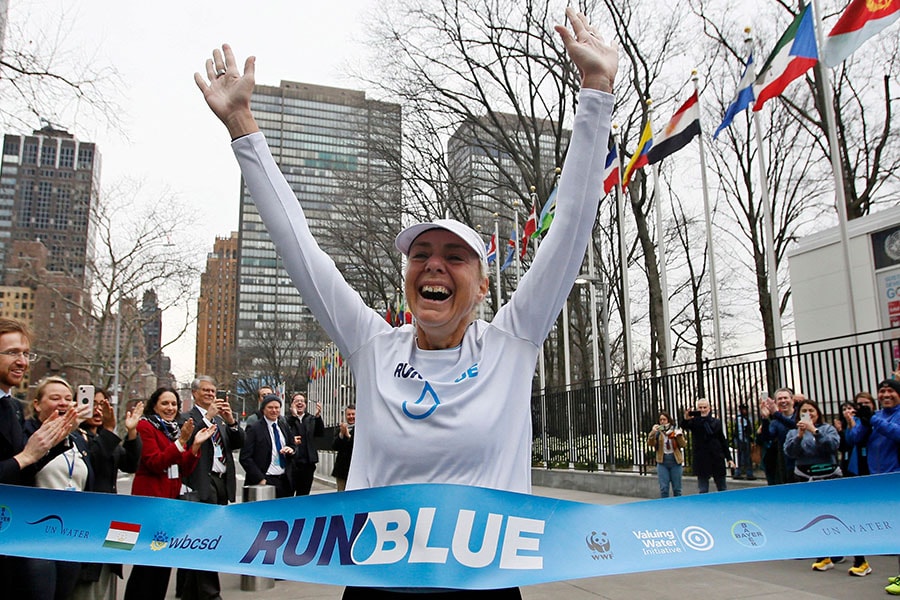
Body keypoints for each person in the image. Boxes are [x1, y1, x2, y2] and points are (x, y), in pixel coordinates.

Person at [196, 7, 616, 596]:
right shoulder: (372, 345)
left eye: (455, 256)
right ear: (408, 278)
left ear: (484, 284)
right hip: (376, 586)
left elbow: (571, 223)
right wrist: (243, 124)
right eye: (421, 255)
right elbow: (301, 251)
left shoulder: (511, 343)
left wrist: (596, 92)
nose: (435, 265)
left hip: (486, 588)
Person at [0, 319, 76, 600]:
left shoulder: (13, 408)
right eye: (12, 353)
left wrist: (52, 443)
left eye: (26, 354)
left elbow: (22, 473)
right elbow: (19, 462)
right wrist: (27, 456)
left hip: (15, 537)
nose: (22, 361)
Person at [123, 387, 214, 600]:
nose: (170, 408)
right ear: (154, 405)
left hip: (171, 504)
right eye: (165, 403)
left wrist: (194, 447)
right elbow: (154, 462)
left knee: (164, 563)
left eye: (174, 404)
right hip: (152, 503)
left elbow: (184, 468)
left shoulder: (173, 429)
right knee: (146, 564)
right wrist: (181, 442)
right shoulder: (146, 427)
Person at [21, 376, 92, 600]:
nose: (63, 403)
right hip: (34, 535)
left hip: (70, 536)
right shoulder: (26, 436)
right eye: (55, 398)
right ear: (37, 404)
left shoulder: (78, 440)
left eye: (68, 399)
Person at [72, 388, 143, 600]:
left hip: (112, 519)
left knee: (106, 578)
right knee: (86, 587)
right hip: (88, 523)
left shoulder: (105, 437)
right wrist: (110, 430)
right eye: (91, 403)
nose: (98, 409)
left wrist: (131, 433)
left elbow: (130, 464)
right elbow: (94, 460)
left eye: (103, 404)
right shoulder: (75, 437)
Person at [179, 376, 244, 600]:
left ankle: (189, 591)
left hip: (220, 481)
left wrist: (231, 421)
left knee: (208, 537)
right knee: (206, 538)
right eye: (205, 390)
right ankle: (210, 593)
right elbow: (187, 443)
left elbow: (237, 443)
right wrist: (208, 416)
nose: (210, 394)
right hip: (200, 482)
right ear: (194, 393)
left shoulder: (220, 422)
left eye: (213, 390)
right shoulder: (187, 417)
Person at [781, 398, 858, 573]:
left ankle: (839, 551)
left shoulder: (827, 429)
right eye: (803, 412)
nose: (808, 415)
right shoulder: (793, 432)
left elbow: (832, 446)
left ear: (818, 413)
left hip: (828, 475)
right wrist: (800, 435)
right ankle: (822, 554)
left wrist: (814, 431)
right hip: (805, 477)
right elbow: (790, 452)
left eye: (811, 411)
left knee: (833, 514)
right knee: (813, 516)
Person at [846, 378, 900, 591]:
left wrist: (875, 421)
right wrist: (864, 422)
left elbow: (897, 434)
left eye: (891, 391)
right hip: (877, 480)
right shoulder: (876, 416)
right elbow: (854, 439)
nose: (886, 395)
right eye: (882, 391)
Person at [239, 394, 295, 498]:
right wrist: (260, 479)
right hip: (265, 480)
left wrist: (291, 449)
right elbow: (245, 457)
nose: (274, 410)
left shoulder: (284, 426)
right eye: (270, 407)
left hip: (284, 480)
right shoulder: (255, 428)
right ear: (263, 410)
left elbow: (293, 445)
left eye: (277, 408)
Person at [682, 399, 733, 493]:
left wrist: (729, 458)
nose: (702, 410)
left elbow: (723, 440)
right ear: (697, 409)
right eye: (700, 407)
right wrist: (686, 418)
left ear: (709, 408)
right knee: (703, 489)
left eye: (704, 407)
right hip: (702, 460)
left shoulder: (716, 422)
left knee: (722, 488)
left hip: (717, 458)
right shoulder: (694, 422)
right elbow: (685, 426)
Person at [286, 392, 324, 496]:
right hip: (292, 463)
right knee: (289, 493)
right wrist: (294, 417)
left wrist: (318, 417)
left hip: (308, 463)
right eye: (296, 401)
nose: (299, 403)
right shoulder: (286, 420)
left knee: (303, 494)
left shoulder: (311, 419)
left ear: (306, 404)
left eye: (302, 401)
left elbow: (320, 433)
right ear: (291, 405)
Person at [759, 387, 797, 484]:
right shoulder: (775, 422)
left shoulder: (799, 415)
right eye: (779, 399)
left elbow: (794, 425)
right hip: (785, 463)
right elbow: (767, 438)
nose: (783, 401)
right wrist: (764, 419)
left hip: (801, 460)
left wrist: (776, 413)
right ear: (775, 403)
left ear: (792, 400)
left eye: (785, 398)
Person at [647, 411, 685, 497]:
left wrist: (678, 436)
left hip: (675, 461)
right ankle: (665, 507)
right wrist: (652, 433)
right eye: (660, 420)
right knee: (664, 488)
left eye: (664, 419)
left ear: (668, 420)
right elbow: (650, 443)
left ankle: (678, 506)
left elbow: (683, 444)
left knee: (677, 489)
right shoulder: (658, 432)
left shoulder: (674, 430)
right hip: (662, 461)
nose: (662, 421)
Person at [332, 404, 356, 492]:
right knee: (341, 493)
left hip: (356, 468)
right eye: (349, 414)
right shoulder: (340, 429)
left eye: (353, 414)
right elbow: (334, 446)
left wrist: (348, 436)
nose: (351, 417)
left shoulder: (361, 428)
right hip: (342, 470)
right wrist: (341, 435)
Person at [733, 403, 756, 480]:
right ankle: (747, 473)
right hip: (743, 439)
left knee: (742, 457)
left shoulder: (740, 418)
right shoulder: (743, 419)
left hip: (741, 439)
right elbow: (746, 429)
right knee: (746, 457)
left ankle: (739, 473)